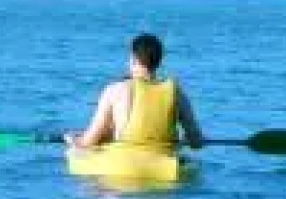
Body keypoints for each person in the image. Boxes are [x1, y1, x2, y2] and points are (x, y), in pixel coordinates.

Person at [65, 33, 204, 150]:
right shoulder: (176, 92)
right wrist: (185, 139)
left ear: (133, 59)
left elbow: (90, 141)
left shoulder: (115, 90)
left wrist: (74, 140)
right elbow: (197, 143)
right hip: (164, 165)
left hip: (125, 167)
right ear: (160, 62)